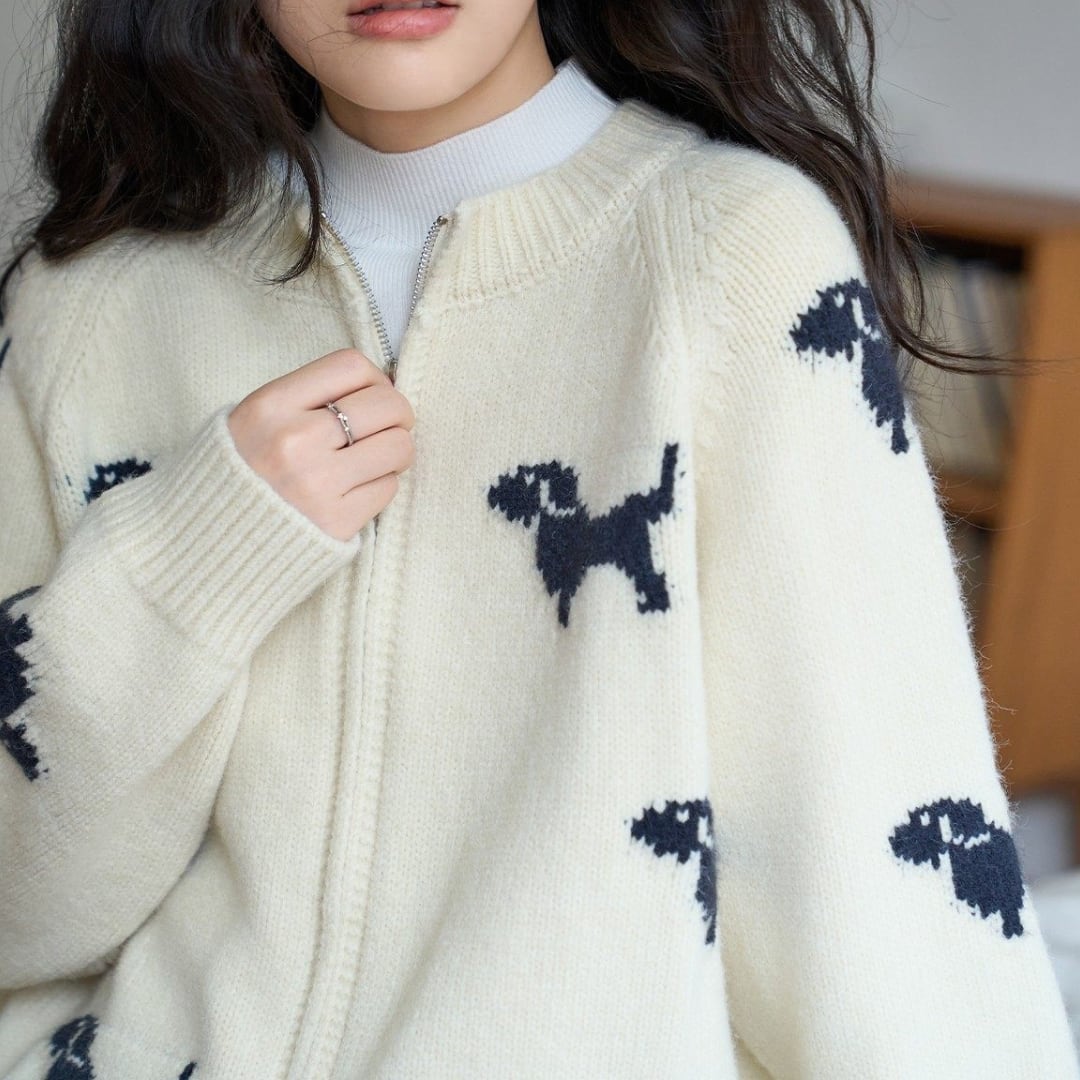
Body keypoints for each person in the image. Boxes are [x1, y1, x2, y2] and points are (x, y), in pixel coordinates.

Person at [0, 0, 1076, 1076]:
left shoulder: (734, 255)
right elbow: (21, 917)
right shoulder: (87, 301)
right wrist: (189, 561)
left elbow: (876, 877)